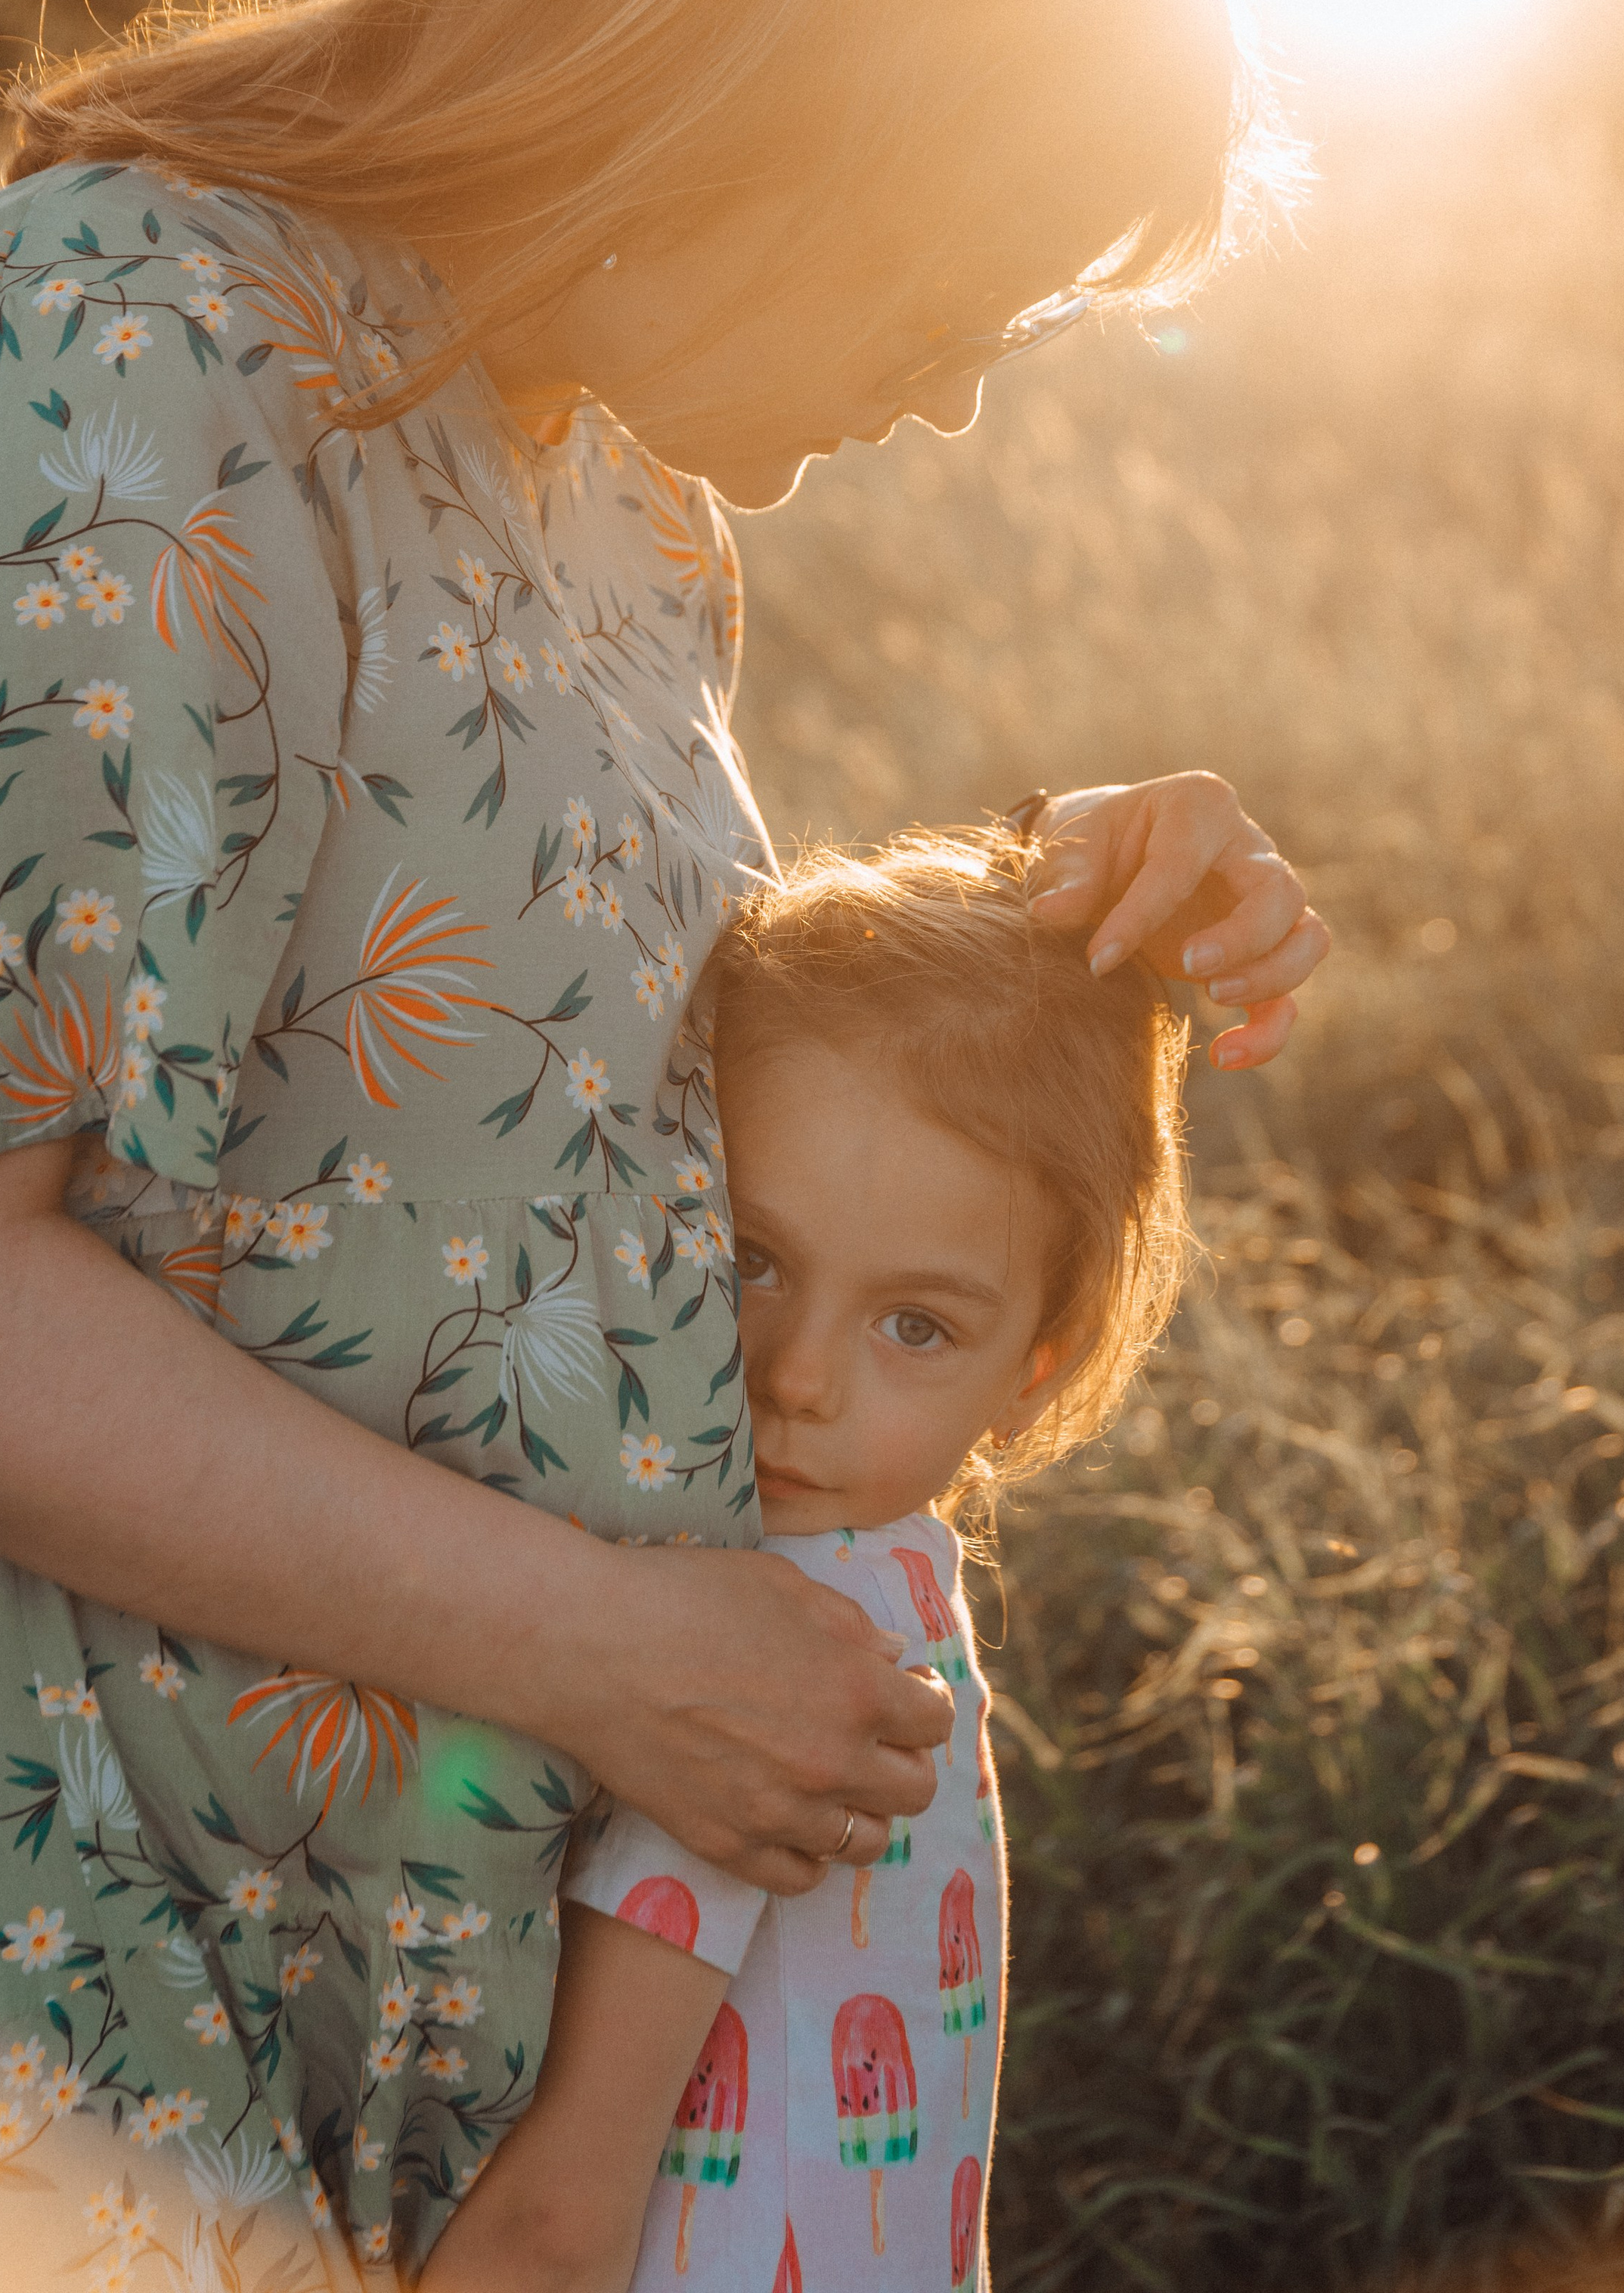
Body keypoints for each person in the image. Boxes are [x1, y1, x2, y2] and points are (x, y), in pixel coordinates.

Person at [0, 0, 1328, 2287]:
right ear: (776, 99)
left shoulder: (630, 503)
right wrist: (605, 1646)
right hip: (100, 2028)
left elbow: (577, 1114)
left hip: (464, 2043)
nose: (945, 391)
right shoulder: (122, 353)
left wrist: (1070, 912)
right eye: (960, 279)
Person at [423, 830, 1190, 2293]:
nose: (797, 1378)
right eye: (748, 1258)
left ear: (1036, 1370)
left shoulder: (764, 1654)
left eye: (916, 1325)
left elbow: (553, 2224)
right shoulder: (899, 1584)